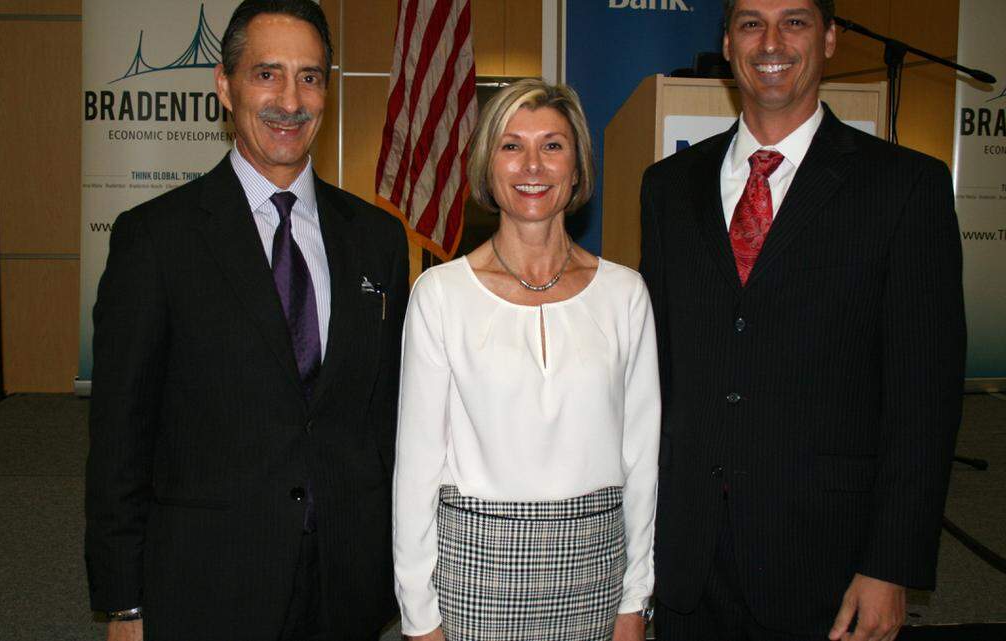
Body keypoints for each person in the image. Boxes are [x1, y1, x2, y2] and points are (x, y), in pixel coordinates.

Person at [640, 1, 966, 640]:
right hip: (688, 552)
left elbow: (924, 398)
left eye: (794, 21)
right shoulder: (668, 186)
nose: (771, 41)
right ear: (729, 44)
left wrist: (891, 565)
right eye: (750, 23)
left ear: (831, 39)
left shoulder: (906, 188)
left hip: (825, 556)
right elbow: (661, 366)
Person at [84, 2, 408, 640]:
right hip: (210, 583)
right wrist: (124, 603)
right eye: (268, 74)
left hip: (346, 583)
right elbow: (120, 438)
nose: (291, 99)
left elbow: (387, 418)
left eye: (310, 77)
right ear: (225, 87)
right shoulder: (154, 240)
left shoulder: (377, 240)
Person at [392, 79, 660, 641]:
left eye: (553, 145)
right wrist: (420, 616)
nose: (532, 165)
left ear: (578, 167)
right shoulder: (439, 294)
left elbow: (642, 458)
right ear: (488, 167)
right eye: (511, 146)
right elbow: (415, 468)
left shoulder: (625, 294)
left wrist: (635, 599)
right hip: (475, 577)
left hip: (596, 574)